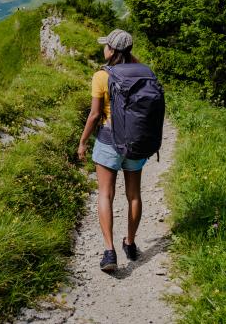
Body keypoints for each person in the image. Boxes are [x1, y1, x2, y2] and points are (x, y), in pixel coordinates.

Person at [77, 29, 146, 272]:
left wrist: (83, 141)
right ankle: (130, 242)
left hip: (108, 141)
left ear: (112, 50)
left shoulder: (101, 76)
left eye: (106, 45)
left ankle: (109, 252)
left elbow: (95, 115)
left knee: (106, 194)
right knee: (134, 195)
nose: (103, 48)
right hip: (137, 143)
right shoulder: (143, 73)